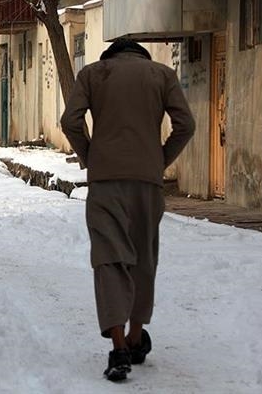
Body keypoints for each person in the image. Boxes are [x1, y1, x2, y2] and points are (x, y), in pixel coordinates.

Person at [60, 38, 195, 382]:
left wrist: (91, 156)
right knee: (143, 256)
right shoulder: (162, 75)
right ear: (141, 56)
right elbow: (186, 125)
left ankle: (119, 345)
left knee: (110, 256)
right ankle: (137, 336)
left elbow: (71, 121)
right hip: (147, 181)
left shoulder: (93, 74)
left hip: (106, 180)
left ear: (111, 55)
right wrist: (160, 158)